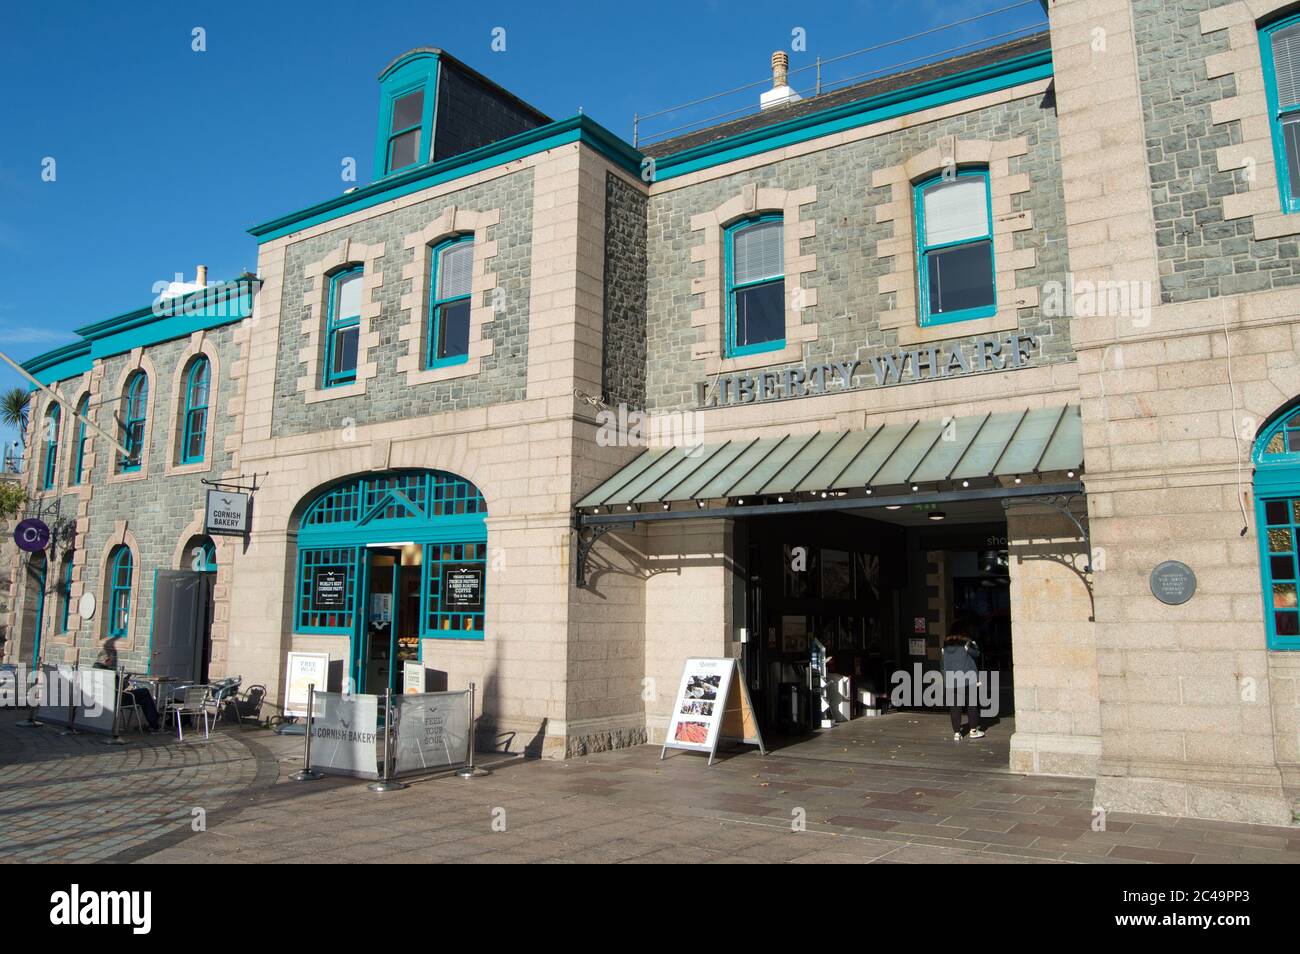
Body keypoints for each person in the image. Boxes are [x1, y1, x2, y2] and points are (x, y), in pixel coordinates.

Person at [93, 650, 160, 731]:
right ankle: (155, 722)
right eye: (111, 661)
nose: (111, 663)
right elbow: (118, 687)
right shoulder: (108, 672)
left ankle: (154, 722)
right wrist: (125, 684)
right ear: (107, 660)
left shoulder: (93, 669)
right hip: (116, 699)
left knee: (143, 699)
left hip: (102, 698)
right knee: (144, 692)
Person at [941, 621, 985, 741]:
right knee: (971, 705)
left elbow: (943, 662)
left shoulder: (946, 644)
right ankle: (973, 731)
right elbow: (977, 654)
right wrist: (974, 645)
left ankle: (957, 733)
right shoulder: (967, 642)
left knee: (955, 707)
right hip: (967, 679)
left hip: (951, 680)